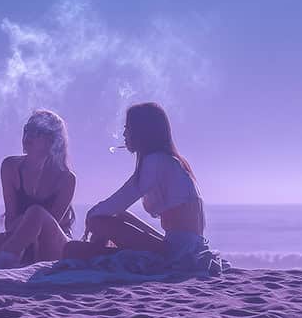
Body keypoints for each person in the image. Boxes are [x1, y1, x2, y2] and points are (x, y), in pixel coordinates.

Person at [63, 102, 206, 261]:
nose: (124, 134)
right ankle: (95, 251)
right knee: (117, 216)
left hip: (178, 251)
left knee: (96, 223)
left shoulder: (156, 160)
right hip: (187, 246)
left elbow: (121, 199)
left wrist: (92, 216)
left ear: (142, 131)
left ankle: (94, 252)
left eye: (127, 128)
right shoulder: (169, 160)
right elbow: (117, 207)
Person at [0, 110, 77, 270]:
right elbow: (10, 221)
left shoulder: (66, 178)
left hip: (52, 246)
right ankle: (7, 258)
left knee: (36, 213)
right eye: (27, 129)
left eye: (38, 131)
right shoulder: (10, 167)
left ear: (53, 139)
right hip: (23, 240)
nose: (29, 135)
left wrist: (26, 221)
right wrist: (22, 225)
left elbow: (46, 226)